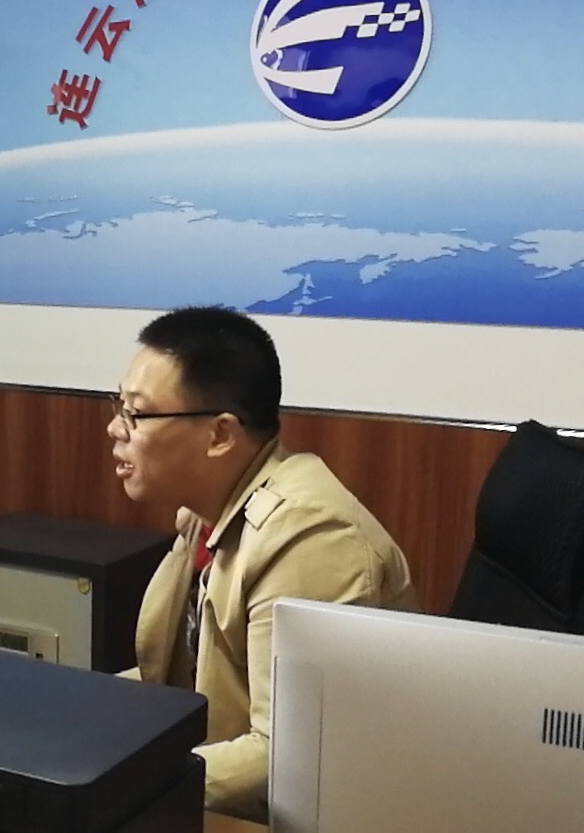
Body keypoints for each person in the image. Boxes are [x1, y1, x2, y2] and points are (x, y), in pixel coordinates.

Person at [110, 307, 417, 823]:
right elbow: (183, 676)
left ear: (220, 435)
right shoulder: (209, 513)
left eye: (136, 414)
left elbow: (286, 754)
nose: (115, 429)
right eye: (118, 406)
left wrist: (118, 785)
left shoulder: (311, 539)